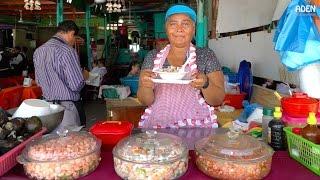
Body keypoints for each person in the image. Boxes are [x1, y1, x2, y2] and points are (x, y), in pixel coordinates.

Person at [137, 4, 225, 129]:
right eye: (173, 24)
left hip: (197, 126)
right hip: (159, 125)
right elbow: (145, 101)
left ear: (193, 29)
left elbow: (218, 99)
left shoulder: (206, 55)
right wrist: (146, 86)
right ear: (166, 28)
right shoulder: (153, 56)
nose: (179, 29)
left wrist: (205, 83)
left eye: (185, 24)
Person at [33, 20, 87, 131]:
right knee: (69, 144)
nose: (74, 42)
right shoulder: (67, 51)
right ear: (71, 33)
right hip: (66, 109)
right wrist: (84, 76)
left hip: (47, 108)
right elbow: (76, 85)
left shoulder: (38, 51)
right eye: (74, 38)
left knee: (52, 144)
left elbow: (38, 81)